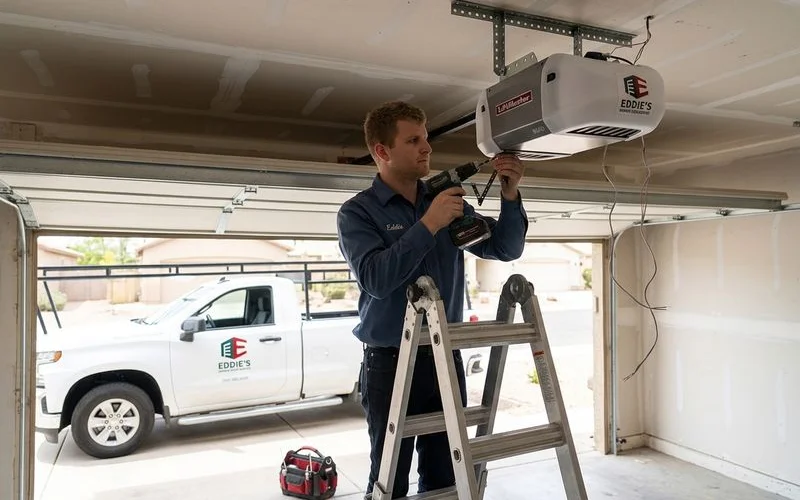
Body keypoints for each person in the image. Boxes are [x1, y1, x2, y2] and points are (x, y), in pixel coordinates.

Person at [336, 100, 529, 499]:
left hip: (445, 356)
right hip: (390, 363)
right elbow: (375, 278)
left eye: (425, 138)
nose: (426, 148)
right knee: (391, 476)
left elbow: (505, 248)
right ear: (382, 152)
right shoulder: (358, 213)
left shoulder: (446, 200)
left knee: (445, 476)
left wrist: (510, 196)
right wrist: (428, 225)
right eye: (413, 140)